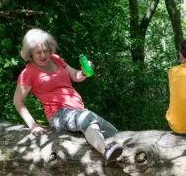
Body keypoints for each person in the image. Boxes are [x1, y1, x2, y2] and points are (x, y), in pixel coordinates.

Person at [13, 28, 122, 164]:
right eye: (38, 52)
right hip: (58, 114)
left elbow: (75, 76)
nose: (43, 55)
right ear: (30, 53)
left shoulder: (56, 60)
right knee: (87, 119)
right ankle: (106, 150)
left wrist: (83, 72)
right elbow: (18, 101)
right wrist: (33, 125)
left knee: (114, 132)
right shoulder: (28, 73)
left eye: (46, 50)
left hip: (78, 111)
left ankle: (118, 153)